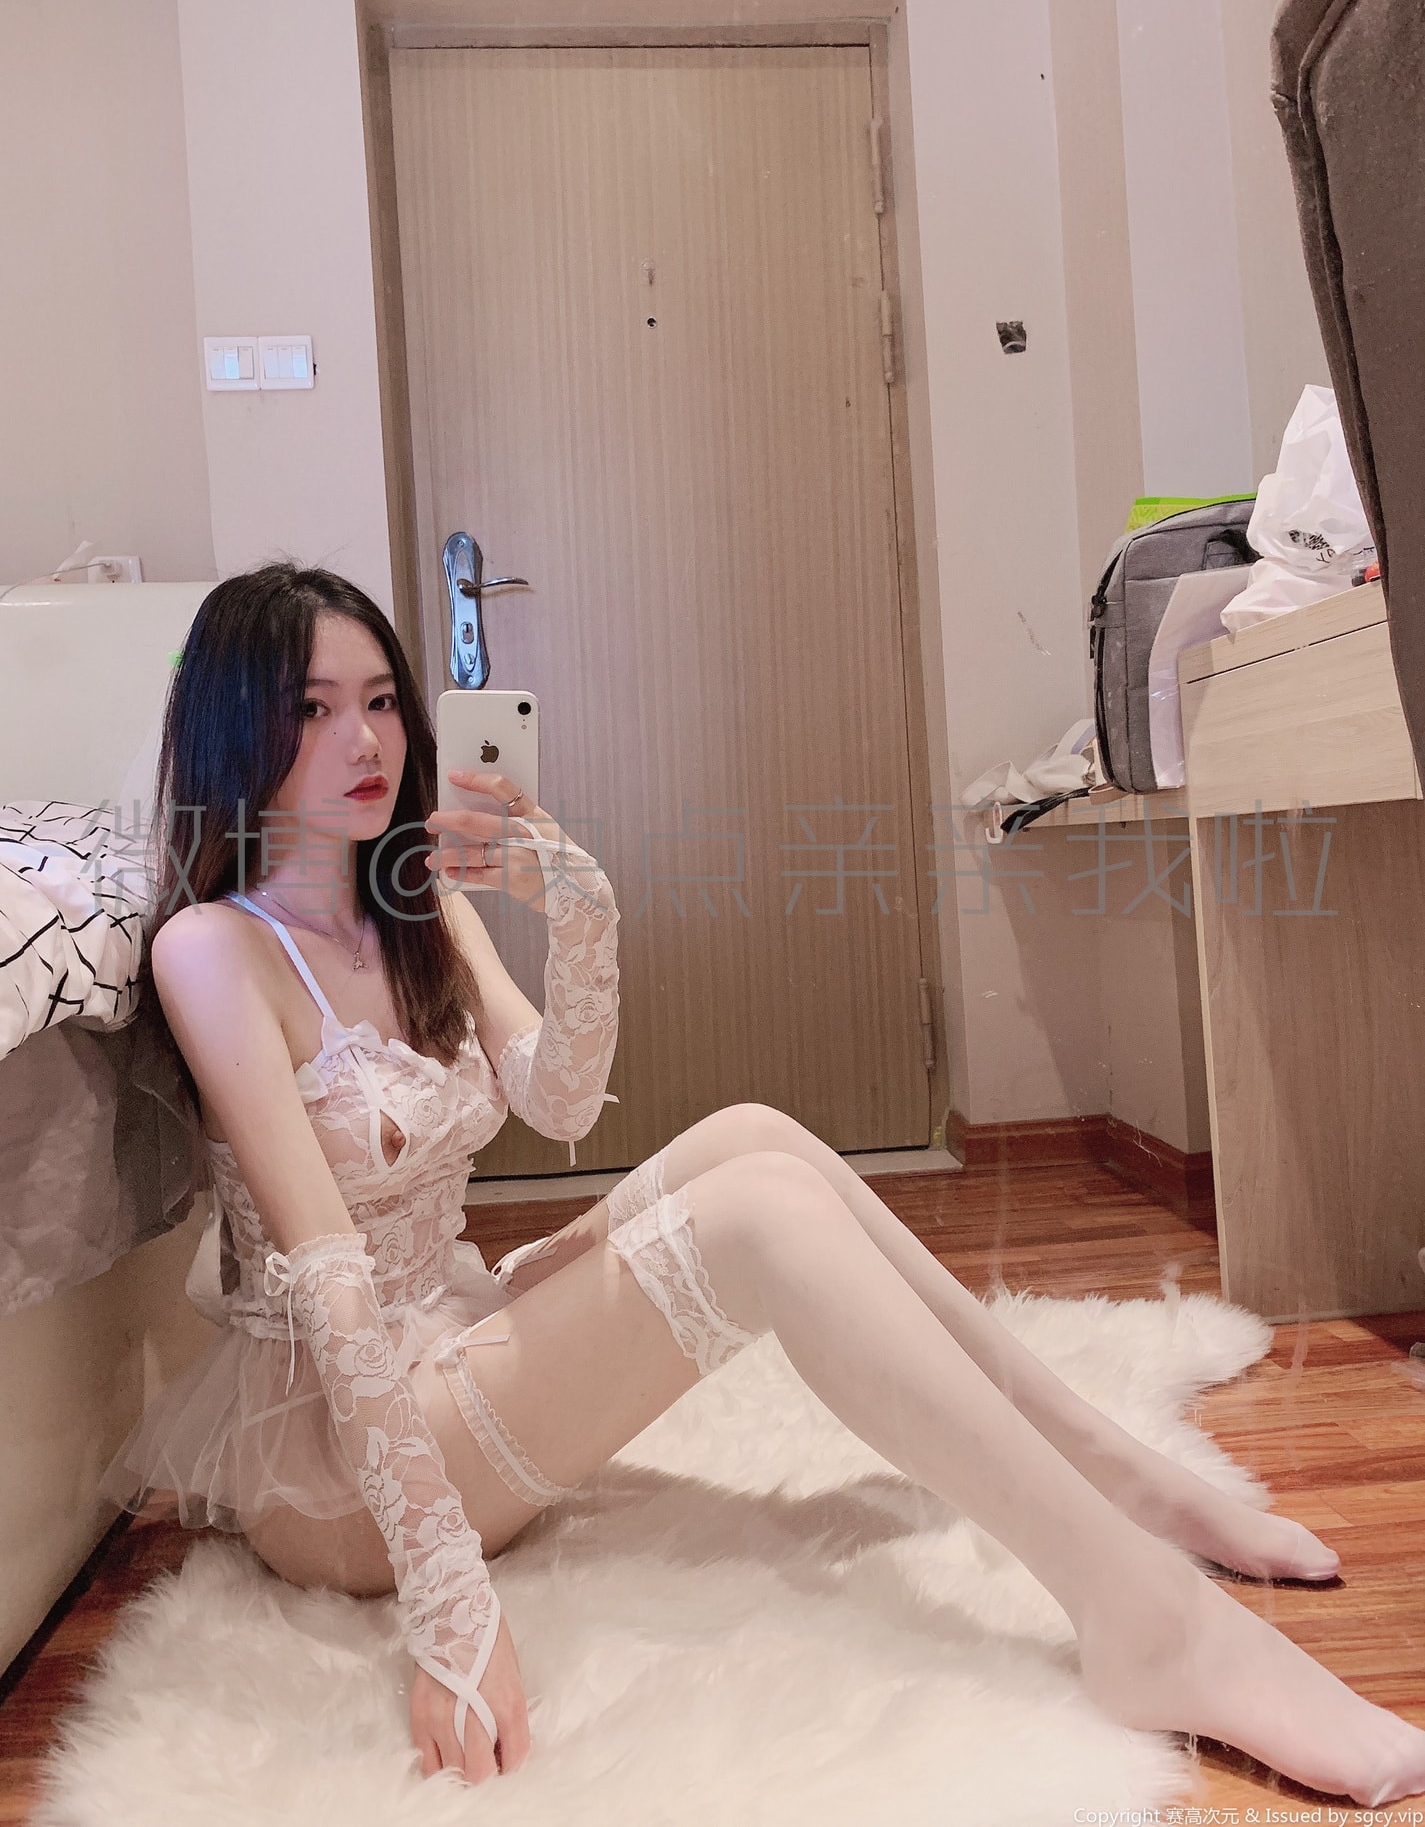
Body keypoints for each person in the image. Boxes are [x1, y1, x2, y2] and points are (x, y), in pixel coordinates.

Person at [104, 562, 1425, 1807]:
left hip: (450, 1332)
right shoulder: (216, 950)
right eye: (313, 709)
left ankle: (1109, 1468)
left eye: (382, 700)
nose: (365, 741)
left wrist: (577, 907)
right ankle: (1146, 1623)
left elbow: (555, 1102)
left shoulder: (414, 907)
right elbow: (332, 1288)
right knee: (755, 1223)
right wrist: (449, 1608)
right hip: (341, 1466)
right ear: (235, 732)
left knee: (756, 1136)